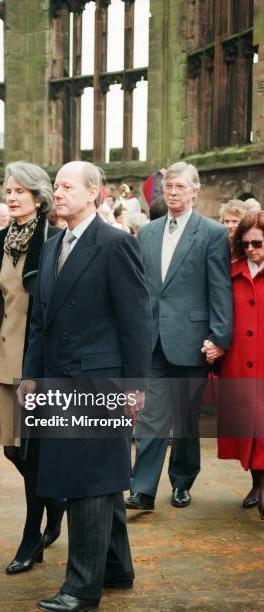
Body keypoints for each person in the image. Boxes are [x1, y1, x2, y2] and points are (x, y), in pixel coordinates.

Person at [18, 161, 152, 612]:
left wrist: (136, 387)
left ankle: (81, 589)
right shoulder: (54, 244)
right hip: (59, 381)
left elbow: (137, 321)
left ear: (95, 192)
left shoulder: (115, 243)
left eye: (68, 186)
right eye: (56, 186)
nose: (58, 193)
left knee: (88, 483)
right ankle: (116, 568)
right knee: (97, 480)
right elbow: (41, 324)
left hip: (99, 382)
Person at [0, 161, 64, 572]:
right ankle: (55, 503)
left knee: (34, 453)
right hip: (1, 363)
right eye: (7, 191)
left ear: (39, 198)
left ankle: (31, 538)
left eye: (20, 191)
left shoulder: (55, 242)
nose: (11, 197)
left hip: (38, 365)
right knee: (12, 450)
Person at [126, 161, 233, 511]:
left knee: (186, 421)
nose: (172, 192)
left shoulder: (212, 233)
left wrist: (219, 337)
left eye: (180, 187)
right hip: (153, 339)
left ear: (195, 191)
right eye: (168, 187)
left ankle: (183, 481)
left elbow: (219, 289)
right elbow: (142, 287)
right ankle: (142, 489)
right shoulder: (148, 231)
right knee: (151, 415)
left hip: (192, 340)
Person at [216, 212, 264, 517]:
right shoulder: (230, 274)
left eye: (257, 243)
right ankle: (256, 482)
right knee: (248, 427)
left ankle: (262, 488)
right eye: (244, 243)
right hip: (239, 365)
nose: (250, 249)